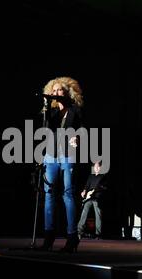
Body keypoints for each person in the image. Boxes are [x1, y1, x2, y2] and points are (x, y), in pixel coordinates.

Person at [39, 76, 84, 252]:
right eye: (54, 90)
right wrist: (45, 106)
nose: (57, 92)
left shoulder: (75, 110)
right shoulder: (51, 113)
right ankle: (48, 237)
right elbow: (44, 130)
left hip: (68, 154)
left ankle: (72, 237)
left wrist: (78, 138)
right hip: (50, 155)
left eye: (60, 90)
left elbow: (82, 128)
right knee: (48, 193)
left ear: (66, 93)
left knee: (68, 194)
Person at [77, 161, 107, 239]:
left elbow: (104, 187)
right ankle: (79, 231)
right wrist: (84, 191)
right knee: (84, 213)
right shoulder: (91, 176)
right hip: (89, 198)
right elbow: (87, 186)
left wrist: (95, 190)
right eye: (95, 166)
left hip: (97, 198)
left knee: (98, 215)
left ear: (100, 167)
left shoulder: (103, 176)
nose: (96, 168)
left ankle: (98, 234)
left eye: (98, 166)